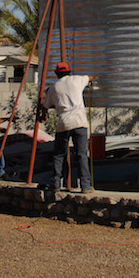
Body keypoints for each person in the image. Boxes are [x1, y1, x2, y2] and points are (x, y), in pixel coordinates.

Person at [41, 62, 95, 193]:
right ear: (69, 71)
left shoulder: (54, 87)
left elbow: (45, 105)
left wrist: (44, 115)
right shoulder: (77, 80)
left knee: (59, 154)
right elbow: (91, 77)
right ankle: (85, 186)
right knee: (81, 154)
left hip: (64, 123)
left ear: (56, 73)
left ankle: (56, 184)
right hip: (79, 122)